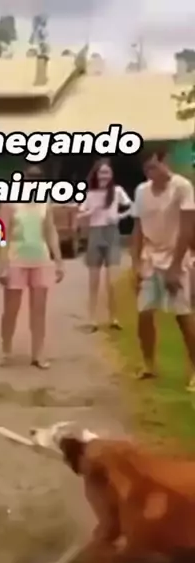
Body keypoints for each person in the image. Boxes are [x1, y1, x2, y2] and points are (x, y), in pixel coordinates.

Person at [131, 146, 195, 390]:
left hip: (175, 257)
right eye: (147, 169)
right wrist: (136, 264)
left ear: (165, 162)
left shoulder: (182, 187)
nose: (152, 173)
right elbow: (138, 228)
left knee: (182, 315)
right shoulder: (141, 191)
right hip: (150, 257)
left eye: (155, 167)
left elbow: (187, 229)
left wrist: (175, 267)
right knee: (144, 313)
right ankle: (149, 365)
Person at [0, 166, 64, 367]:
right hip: (16, 259)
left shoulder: (45, 203)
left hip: (40, 259)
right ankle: (6, 350)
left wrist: (58, 260)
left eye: (37, 180)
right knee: (11, 309)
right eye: (29, 180)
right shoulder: (10, 203)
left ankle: (38, 353)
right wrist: (2, 266)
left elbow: (50, 231)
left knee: (39, 310)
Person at [78, 159, 132, 331]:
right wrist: (89, 212)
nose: (104, 176)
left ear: (111, 174)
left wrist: (119, 217)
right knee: (93, 281)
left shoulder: (117, 191)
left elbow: (132, 207)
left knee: (112, 282)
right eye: (101, 172)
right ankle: (92, 319)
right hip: (95, 234)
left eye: (107, 172)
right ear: (96, 174)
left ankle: (114, 318)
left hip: (111, 234)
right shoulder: (90, 194)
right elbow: (80, 214)